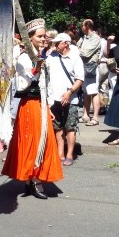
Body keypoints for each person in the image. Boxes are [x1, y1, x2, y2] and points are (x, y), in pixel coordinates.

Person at [2, 18, 63, 199]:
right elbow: (20, 85)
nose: (44, 39)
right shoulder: (23, 57)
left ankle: (33, 179)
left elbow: (47, 85)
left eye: (45, 36)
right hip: (28, 105)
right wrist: (34, 70)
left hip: (40, 104)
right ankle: (34, 179)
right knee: (33, 142)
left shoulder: (42, 57)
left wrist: (48, 106)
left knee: (42, 141)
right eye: (40, 36)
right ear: (30, 39)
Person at [45, 32, 84, 166]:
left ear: (66, 44)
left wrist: (69, 92)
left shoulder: (75, 58)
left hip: (70, 99)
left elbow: (79, 80)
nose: (55, 45)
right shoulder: (51, 57)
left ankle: (69, 154)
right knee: (58, 127)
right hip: (54, 99)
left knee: (70, 127)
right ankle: (59, 153)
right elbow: (46, 75)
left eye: (58, 42)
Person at [77, 19, 102, 126]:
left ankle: (95, 117)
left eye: (82, 25)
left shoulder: (95, 38)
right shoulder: (83, 38)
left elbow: (86, 53)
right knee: (86, 92)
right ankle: (85, 115)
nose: (81, 27)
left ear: (87, 26)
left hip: (91, 68)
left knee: (93, 92)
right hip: (83, 67)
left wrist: (77, 50)